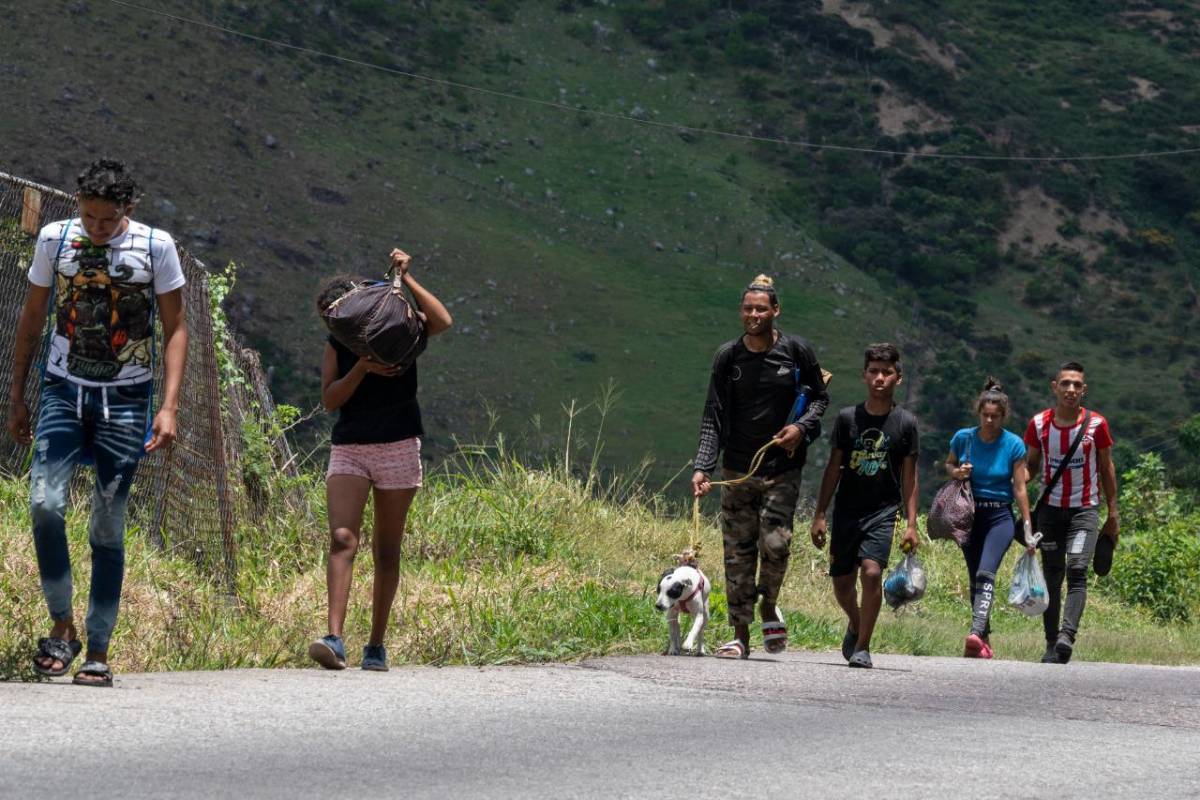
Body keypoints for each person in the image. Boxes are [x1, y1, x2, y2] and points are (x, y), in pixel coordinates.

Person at [7, 159, 188, 686]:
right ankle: (61, 626)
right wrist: (17, 394)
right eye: (89, 216)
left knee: (107, 524)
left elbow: (176, 327)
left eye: (108, 220)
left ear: (128, 210)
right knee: (44, 502)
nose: (98, 228)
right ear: (77, 204)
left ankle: (99, 649)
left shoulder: (157, 246)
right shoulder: (54, 239)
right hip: (63, 390)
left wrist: (169, 405)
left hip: (126, 400)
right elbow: (33, 316)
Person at [308, 248, 452, 671]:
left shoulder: (398, 328)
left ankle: (376, 645)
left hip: (398, 444)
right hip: (350, 446)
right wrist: (362, 370)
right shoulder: (339, 344)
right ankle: (334, 639)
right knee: (342, 539)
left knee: (387, 551)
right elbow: (331, 399)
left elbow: (442, 322)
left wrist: (406, 280)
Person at [691, 275, 828, 660]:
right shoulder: (727, 358)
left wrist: (800, 429)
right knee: (737, 552)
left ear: (775, 311)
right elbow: (712, 417)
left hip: (782, 468)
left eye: (761, 309)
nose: (754, 315)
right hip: (736, 470)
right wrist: (703, 467)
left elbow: (820, 398)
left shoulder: (797, 352)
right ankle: (741, 635)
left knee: (776, 545)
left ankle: (769, 603)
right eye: (748, 308)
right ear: (741, 311)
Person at [810, 343, 919, 669]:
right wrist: (819, 514)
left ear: (898, 378)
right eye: (874, 371)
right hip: (847, 511)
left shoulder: (906, 423)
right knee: (843, 584)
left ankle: (863, 646)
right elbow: (834, 468)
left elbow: (910, 478)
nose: (879, 378)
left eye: (887, 372)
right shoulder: (847, 419)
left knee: (871, 573)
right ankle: (857, 623)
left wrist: (912, 524)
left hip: (883, 511)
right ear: (864, 375)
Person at [1024, 361, 1118, 664]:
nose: (1071, 390)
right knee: (1052, 574)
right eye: (1065, 383)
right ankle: (1051, 643)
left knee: (1077, 569)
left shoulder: (1096, 425)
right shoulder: (1039, 424)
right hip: (1050, 512)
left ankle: (1067, 635)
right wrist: (1014, 483)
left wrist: (1113, 514)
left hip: (1084, 511)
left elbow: (1106, 467)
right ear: (1055, 387)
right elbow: (1032, 466)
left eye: (1077, 385)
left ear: (1084, 390)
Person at [943, 378, 1033, 660]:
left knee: (986, 572)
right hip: (969, 514)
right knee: (975, 578)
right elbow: (949, 463)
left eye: (995, 416)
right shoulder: (963, 438)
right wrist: (957, 473)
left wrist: (1028, 528)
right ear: (978, 413)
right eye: (986, 415)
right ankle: (983, 643)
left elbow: (1020, 488)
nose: (990, 421)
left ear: (1003, 416)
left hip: (999, 517)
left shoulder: (1013, 444)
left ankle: (975, 629)